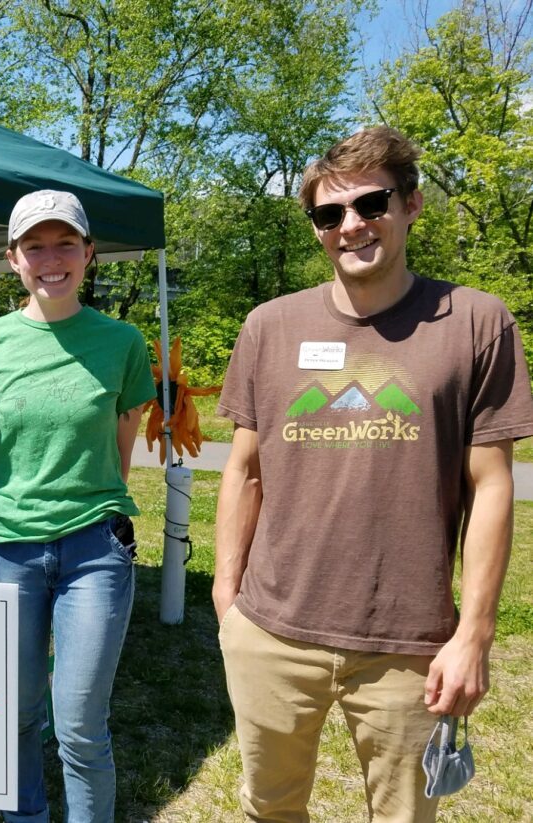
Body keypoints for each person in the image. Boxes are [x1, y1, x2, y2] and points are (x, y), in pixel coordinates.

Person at [213, 126, 533, 822]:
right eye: (330, 215)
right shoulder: (270, 326)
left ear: (411, 203)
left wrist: (474, 633)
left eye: (370, 204)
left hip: (408, 647)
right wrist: (226, 596)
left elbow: (492, 487)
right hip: (271, 631)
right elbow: (243, 470)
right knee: (267, 809)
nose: (351, 226)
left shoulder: (477, 322)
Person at [0, 190, 154, 822]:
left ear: (89, 253)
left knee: (80, 727)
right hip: (7, 550)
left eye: (65, 243)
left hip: (96, 550)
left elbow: (122, 449)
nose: (51, 258)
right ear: (12, 259)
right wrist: (20, 505)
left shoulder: (123, 342)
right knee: (13, 715)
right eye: (34, 246)